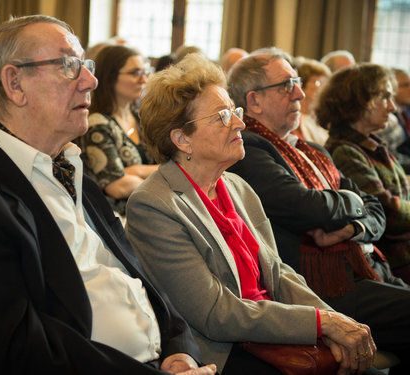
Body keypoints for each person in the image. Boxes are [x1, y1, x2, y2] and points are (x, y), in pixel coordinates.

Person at [0, 15, 216, 375]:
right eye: (69, 65)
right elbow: (21, 349)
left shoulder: (76, 174)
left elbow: (141, 283)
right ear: (14, 83)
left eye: (86, 64)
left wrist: (180, 352)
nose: (91, 80)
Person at [126, 52, 377, 375]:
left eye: (235, 111)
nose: (241, 123)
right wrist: (320, 323)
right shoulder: (155, 204)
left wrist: (335, 321)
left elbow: (279, 274)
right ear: (182, 138)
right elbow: (217, 313)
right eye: (222, 116)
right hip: (224, 353)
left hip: (275, 333)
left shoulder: (236, 186)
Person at [226, 48, 410, 373]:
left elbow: (376, 212)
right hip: (322, 289)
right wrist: (351, 202)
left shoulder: (315, 150)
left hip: (364, 268)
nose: (300, 92)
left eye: (297, 81)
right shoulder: (250, 150)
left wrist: (352, 227)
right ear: (254, 101)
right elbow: (307, 208)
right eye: (287, 85)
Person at [318, 63, 410, 283]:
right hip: (391, 261)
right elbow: (388, 214)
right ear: (359, 102)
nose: (392, 107)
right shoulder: (345, 152)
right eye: (384, 98)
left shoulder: (372, 144)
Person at [77, 45, 158, 217]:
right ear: (110, 77)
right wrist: (162, 174)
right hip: (117, 220)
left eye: (145, 72)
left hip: (149, 212)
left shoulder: (140, 118)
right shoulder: (97, 124)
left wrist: (135, 171)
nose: (143, 79)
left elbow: (170, 164)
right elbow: (118, 187)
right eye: (135, 73)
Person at [292, 56, 331, 145]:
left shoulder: (321, 120)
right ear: (302, 84)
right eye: (318, 82)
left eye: (325, 83)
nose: (323, 88)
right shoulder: (295, 120)